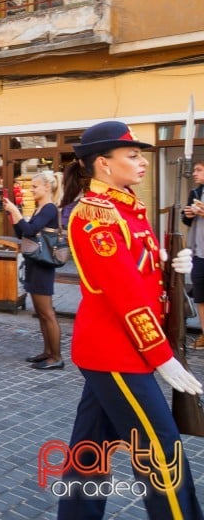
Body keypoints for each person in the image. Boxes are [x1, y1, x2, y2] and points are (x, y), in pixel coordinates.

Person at [57, 121, 203, 519]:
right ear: (103, 164)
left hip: (119, 348)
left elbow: (140, 273)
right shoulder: (96, 215)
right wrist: (162, 355)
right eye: (133, 155)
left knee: (90, 451)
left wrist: (171, 266)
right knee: (162, 454)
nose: (142, 162)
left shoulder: (127, 206)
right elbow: (123, 295)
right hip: (116, 350)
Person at [2, 171, 63, 369]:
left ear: (47, 187)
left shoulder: (49, 209)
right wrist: (13, 214)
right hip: (35, 263)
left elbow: (29, 231)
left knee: (47, 313)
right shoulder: (40, 209)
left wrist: (16, 212)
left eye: (35, 186)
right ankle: (47, 352)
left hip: (43, 265)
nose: (31, 190)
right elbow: (23, 233)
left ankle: (56, 357)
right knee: (40, 312)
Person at [182, 160, 204, 350]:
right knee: (201, 296)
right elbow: (186, 222)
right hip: (199, 253)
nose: (194, 173)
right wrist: (187, 215)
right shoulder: (195, 193)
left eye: (199, 170)